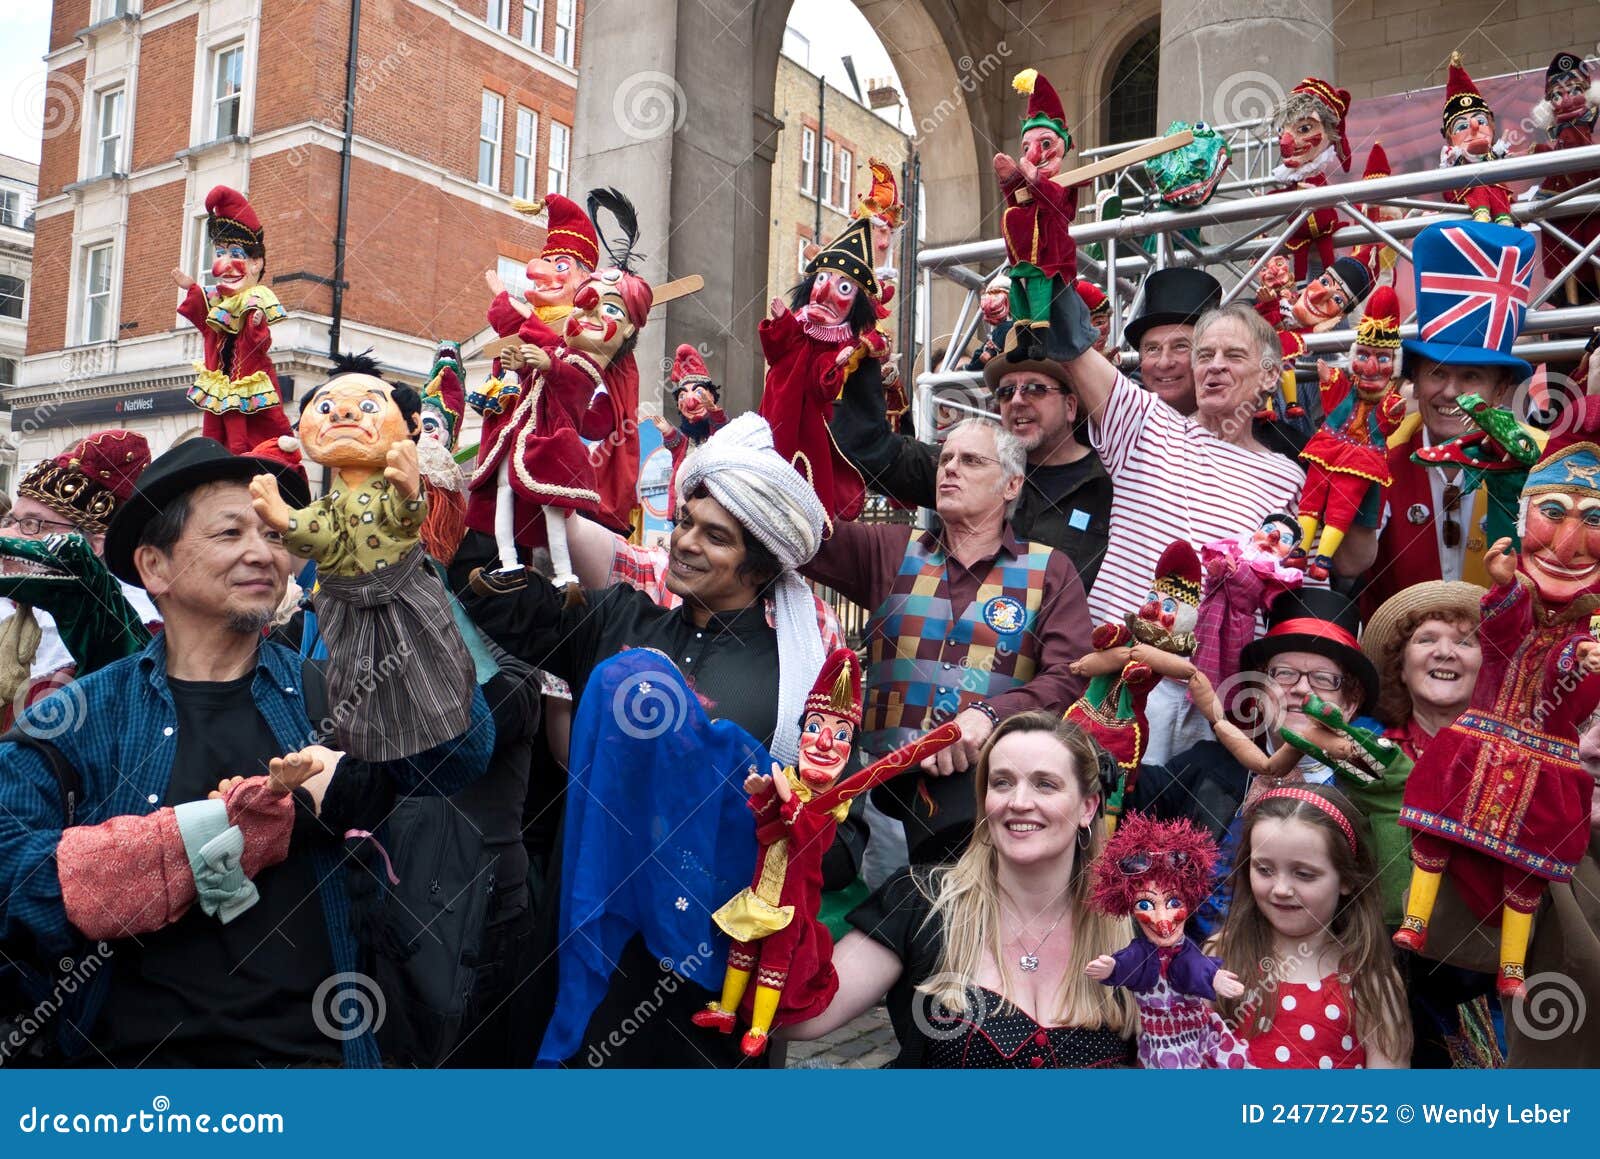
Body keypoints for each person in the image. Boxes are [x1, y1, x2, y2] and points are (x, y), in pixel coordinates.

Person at [0, 438, 495, 1066]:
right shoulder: (80, 719)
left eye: (274, 533)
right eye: (230, 532)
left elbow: (461, 755)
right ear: (156, 568)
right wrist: (199, 841)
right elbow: (12, 886)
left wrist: (393, 572)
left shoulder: (333, 702)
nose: (262, 553)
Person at [453, 413, 844, 1066]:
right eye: (685, 522)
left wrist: (776, 825)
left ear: (759, 561)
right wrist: (487, 473)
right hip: (585, 934)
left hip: (707, 969)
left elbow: (835, 830)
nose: (684, 542)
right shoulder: (618, 619)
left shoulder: (797, 678)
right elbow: (497, 603)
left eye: (713, 535)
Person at [802, 418, 1093, 867]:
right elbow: (801, 536)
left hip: (988, 803)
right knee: (881, 923)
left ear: (1011, 484)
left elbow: (1069, 677)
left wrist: (991, 715)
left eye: (971, 460)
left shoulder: (1050, 570)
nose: (949, 469)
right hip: (878, 799)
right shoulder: (892, 547)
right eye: (945, 459)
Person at [783, 712, 1137, 1067]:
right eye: (1002, 783)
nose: (1018, 802)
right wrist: (781, 860)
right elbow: (803, 1016)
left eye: (1045, 784)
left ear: (1087, 807)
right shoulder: (921, 901)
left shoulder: (1136, 930)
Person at [1132, 588, 1380, 938]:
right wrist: (1125, 703)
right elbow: (1122, 793)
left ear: (1351, 703)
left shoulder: (1368, 793)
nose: (1301, 690)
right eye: (1285, 674)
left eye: (1323, 679)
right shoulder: (1206, 765)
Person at [1062, 299, 1305, 624]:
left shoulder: (1289, 479)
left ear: (1269, 375)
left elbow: (1293, 602)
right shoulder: (1147, 422)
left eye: (1233, 355)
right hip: (1114, 663)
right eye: (1204, 355)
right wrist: (1048, 279)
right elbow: (1072, 343)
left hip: (1212, 673)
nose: (1215, 365)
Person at [1342, 221, 1535, 612]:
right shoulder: (1378, 463)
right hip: (1399, 664)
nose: (1450, 392)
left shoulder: (1536, 471)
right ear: (1413, 379)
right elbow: (1345, 570)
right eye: (1438, 373)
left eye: (1471, 377)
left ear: (1500, 391)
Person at [831, 340, 1112, 595]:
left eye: (1035, 388)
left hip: (1076, 649)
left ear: (1071, 405)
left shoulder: (1116, 484)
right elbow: (866, 452)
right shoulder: (963, 466)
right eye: (1005, 392)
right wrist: (859, 350)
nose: (1016, 400)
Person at [1212, 783, 1412, 1068]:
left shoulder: (1370, 979)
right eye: (1264, 869)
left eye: (1304, 874)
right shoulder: (1222, 954)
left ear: (1346, 878)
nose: (1281, 889)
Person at [0, 430, 160, 718]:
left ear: (95, 544)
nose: (8, 535)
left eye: (33, 525)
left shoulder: (141, 631)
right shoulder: (8, 604)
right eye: (11, 521)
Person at [1363, 580, 1484, 760]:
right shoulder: (1365, 751)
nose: (1444, 652)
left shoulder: (1516, 758)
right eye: (1427, 640)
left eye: (1463, 642)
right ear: (1400, 666)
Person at [1121, 267, 1223, 416]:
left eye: (1181, 346)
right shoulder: (1120, 432)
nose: (1164, 363)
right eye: (1152, 349)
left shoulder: (1252, 432)